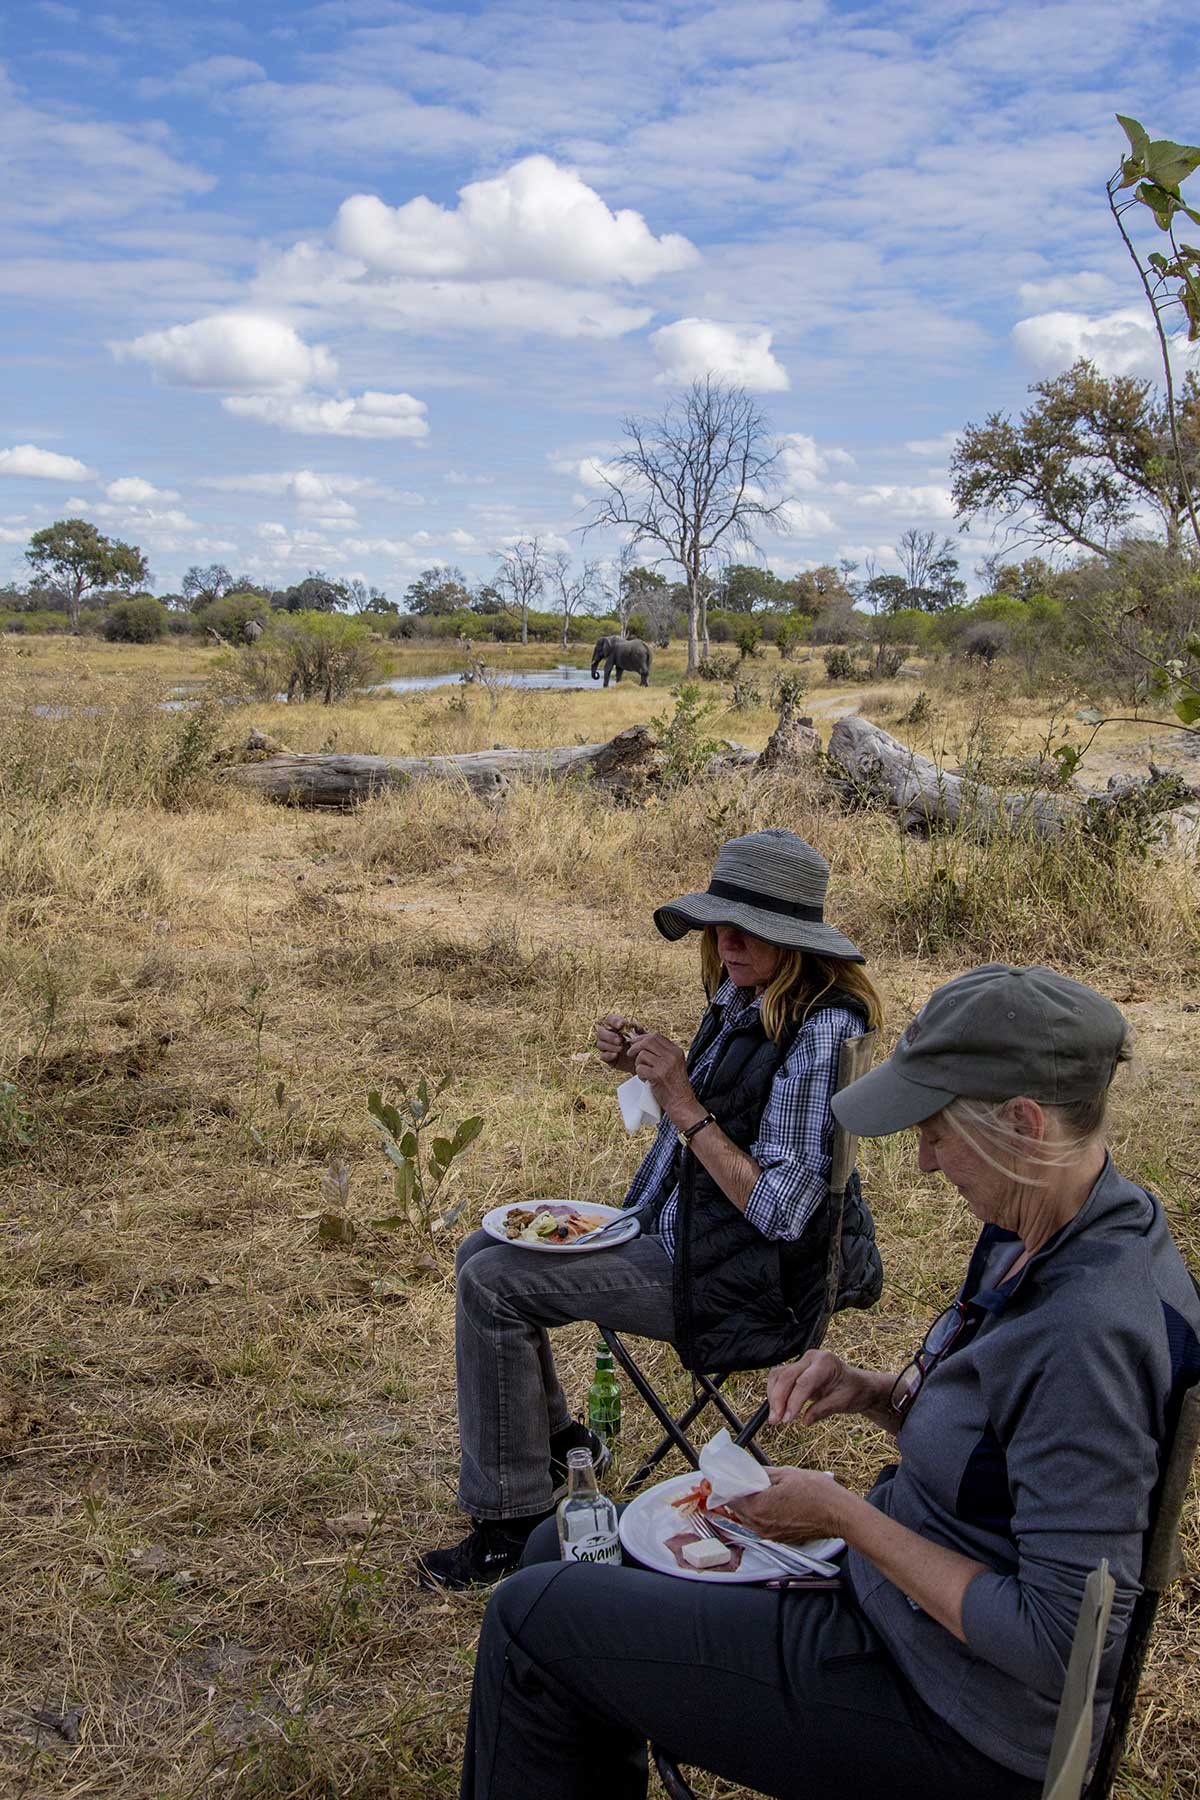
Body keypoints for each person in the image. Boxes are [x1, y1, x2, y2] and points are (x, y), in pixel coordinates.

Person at [458, 964, 1200, 1798]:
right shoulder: (1053, 1221)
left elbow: (1058, 1645)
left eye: (935, 1130)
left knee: (529, 1624)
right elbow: (1004, 1448)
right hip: (891, 1614)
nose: (921, 1163)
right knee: (555, 1546)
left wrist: (844, 1515)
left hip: (951, 1715)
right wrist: (874, 1390)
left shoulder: (1090, 1330)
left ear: (1025, 1123)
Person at [417, 828, 884, 1588]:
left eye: (749, 928)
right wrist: (639, 1062)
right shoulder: (748, 996)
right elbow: (711, 1108)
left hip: (751, 1285)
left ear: (794, 941)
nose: (725, 940)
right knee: (481, 1251)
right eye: (717, 923)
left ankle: (511, 1524)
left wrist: (682, 1100)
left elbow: (783, 1212)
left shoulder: (823, 1029)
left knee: (494, 1283)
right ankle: (561, 1446)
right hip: (692, 1241)